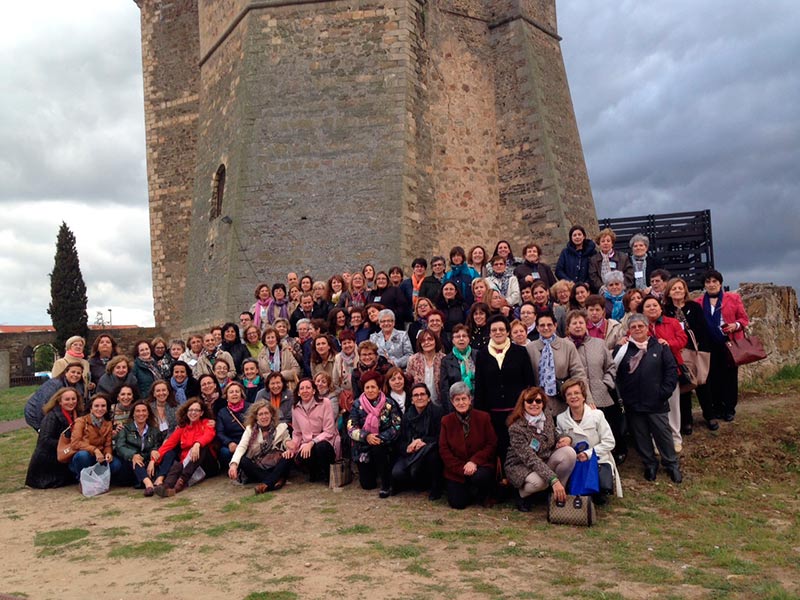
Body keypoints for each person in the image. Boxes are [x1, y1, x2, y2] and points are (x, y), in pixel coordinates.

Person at [614, 314, 681, 483]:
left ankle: (671, 464)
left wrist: (663, 392)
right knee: (641, 435)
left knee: (663, 434)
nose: (637, 329)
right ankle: (650, 464)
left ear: (647, 328)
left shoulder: (660, 347)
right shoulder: (622, 349)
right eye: (633, 327)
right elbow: (616, 373)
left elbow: (671, 370)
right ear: (629, 330)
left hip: (656, 402)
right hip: (633, 403)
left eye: (640, 326)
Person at [474, 315, 535, 466]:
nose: (498, 332)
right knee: (498, 448)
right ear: (489, 333)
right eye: (494, 330)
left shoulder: (520, 352)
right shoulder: (482, 355)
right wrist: (480, 413)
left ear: (508, 332)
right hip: (493, 413)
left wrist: (528, 408)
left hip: (517, 412)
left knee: (519, 447)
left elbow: (529, 383)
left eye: (501, 329)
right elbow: (480, 385)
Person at [565, 309, 625, 462]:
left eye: (581, 323)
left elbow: (610, 366)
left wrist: (606, 383)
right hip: (576, 396)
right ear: (568, 327)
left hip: (601, 392)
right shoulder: (564, 345)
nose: (578, 326)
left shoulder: (599, 343)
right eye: (574, 323)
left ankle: (615, 452)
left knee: (609, 424)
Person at [504, 387, 576, 512]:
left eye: (538, 401)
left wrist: (566, 438)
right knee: (540, 482)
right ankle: (521, 494)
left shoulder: (546, 415)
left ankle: (557, 493)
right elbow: (530, 459)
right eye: (529, 401)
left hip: (544, 459)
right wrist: (553, 479)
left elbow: (553, 433)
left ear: (543, 403)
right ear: (523, 404)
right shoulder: (516, 428)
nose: (534, 404)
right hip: (521, 465)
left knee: (569, 453)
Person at [696, 269, 749, 426]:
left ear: (720, 283)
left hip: (728, 342)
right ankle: (717, 407)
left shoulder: (733, 298)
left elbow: (744, 319)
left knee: (730, 377)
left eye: (714, 281)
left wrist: (735, 325)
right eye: (708, 282)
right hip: (708, 344)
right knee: (712, 377)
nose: (711, 284)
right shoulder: (698, 302)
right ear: (704, 285)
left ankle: (729, 409)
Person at [556, 379, 622, 502]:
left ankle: (599, 491)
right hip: (574, 461)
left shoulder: (597, 415)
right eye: (569, 394)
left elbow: (609, 442)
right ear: (565, 399)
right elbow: (559, 443)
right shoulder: (561, 419)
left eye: (577, 393)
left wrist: (588, 454)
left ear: (583, 396)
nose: (573, 397)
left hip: (597, 459)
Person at [663, 276, 711, 435]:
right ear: (668, 292)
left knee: (702, 384)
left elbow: (702, 328)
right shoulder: (666, 310)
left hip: (694, 350)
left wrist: (702, 348)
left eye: (680, 288)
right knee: (684, 386)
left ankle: (709, 416)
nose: (677, 291)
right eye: (674, 288)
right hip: (677, 353)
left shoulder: (694, 307)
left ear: (685, 291)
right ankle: (687, 421)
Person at [439, 382, 497, 509]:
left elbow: (491, 444)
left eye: (464, 398)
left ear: (470, 399)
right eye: (457, 399)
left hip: (480, 466)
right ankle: (469, 491)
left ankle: (483, 493)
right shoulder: (446, 421)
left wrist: (474, 462)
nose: (461, 403)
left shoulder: (483, 417)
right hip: (456, 469)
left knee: (480, 477)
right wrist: (462, 468)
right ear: (452, 402)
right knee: (457, 504)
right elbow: (444, 449)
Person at [641, 295, 687, 451]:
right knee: (654, 409)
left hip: (670, 371)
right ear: (643, 311)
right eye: (648, 306)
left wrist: (669, 343)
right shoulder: (640, 325)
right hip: (649, 374)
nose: (652, 308)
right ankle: (657, 442)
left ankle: (675, 438)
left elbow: (683, 339)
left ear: (660, 308)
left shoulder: (672, 322)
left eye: (655, 305)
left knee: (673, 406)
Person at [347, 370, 402, 497]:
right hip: (363, 446)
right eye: (367, 387)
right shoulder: (357, 404)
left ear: (379, 388)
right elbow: (351, 427)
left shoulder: (389, 403)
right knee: (367, 485)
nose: (370, 390)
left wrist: (379, 437)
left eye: (373, 387)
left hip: (383, 445)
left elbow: (396, 426)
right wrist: (366, 436)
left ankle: (386, 484)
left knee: (378, 447)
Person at [151, 398, 219, 497]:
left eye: (196, 410)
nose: (193, 413)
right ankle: (166, 487)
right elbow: (168, 445)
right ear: (186, 412)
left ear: (201, 413)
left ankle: (182, 481)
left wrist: (197, 444)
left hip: (207, 464)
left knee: (201, 448)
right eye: (190, 410)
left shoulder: (206, 423)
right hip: (187, 463)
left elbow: (209, 435)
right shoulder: (182, 428)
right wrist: (153, 460)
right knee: (177, 466)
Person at [526, 312, 589, 415]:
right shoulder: (530, 348)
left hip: (563, 401)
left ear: (555, 326)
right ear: (537, 328)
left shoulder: (568, 345)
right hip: (539, 404)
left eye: (549, 325)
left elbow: (578, 373)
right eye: (542, 325)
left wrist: (587, 399)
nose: (546, 328)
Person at [391, 383, 444, 500]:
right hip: (411, 453)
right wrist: (408, 447)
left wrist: (423, 441)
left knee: (433, 455)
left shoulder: (437, 413)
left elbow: (441, 437)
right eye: (416, 395)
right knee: (397, 473)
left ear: (428, 398)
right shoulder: (407, 417)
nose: (419, 397)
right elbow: (400, 441)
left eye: (422, 394)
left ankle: (436, 487)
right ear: (412, 400)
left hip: (430, 451)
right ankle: (416, 482)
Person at [229, 400, 292, 494]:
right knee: (242, 460)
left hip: (275, 464)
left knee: (288, 457)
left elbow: (287, 442)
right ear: (256, 417)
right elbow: (241, 447)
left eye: (266, 413)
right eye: (261, 414)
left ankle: (266, 484)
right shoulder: (250, 430)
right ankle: (276, 480)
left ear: (271, 414)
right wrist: (233, 465)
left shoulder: (281, 427)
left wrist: (289, 449)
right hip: (257, 466)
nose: (264, 417)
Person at [25, 387, 83, 489]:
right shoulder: (51, 416)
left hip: (66, 455)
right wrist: (67, 445)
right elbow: (44, 440)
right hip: (48, 461)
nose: (71, 402)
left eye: (73, 399)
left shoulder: (78, 415)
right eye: (67, 399)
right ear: (59, 401)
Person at [285, 378, 340, 483]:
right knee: (302, 455)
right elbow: (297, 433)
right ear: (298, 393)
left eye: (308, 388)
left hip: (325, 442)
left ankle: (328, 475)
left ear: (314, 391)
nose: (305, 391)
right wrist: (292, 447)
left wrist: (312, 443)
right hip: (306, 445)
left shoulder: (325, 403)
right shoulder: (295, 408)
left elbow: (329, 431)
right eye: (302, 388)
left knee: (321, 447)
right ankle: (315, 472)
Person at [114, 401, 170, 496]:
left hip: (146, 464)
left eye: (144, 411)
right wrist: (132, 455)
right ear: (133, 414)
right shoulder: (125, 429)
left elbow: (157, 444)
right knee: (136, 459)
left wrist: (154, 451)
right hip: (128, 467)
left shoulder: (153, 430)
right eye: (138, 411)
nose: (141, 413)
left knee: (167, 455)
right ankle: (149, 485)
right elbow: (120, 447)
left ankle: (155, 481)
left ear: (148, 414)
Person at [68, 394, 122, 480]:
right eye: (96, 406)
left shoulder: (108, 424)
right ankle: (82, 479)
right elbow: (75, 443)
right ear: (91, 408)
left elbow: (107, 445)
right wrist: (95, 450)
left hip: (99, 458)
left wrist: (108, 453)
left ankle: (95, 479)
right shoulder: (81, 421)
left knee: (116, 464)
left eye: (103, 406)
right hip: (84, 456)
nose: (100, 409)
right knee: (83, 456)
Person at [25, 363, 86, 432]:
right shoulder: (54, 384)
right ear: (66, 373)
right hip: (35, 413)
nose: (75, 375)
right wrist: (42, 427)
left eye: (78, 373)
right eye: (73, 372)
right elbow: (42, 404)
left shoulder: (78, 386)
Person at [216, 381, 252, 469]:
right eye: (231, 392)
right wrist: (229, 443)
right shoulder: (222, 412)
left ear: (241, 394)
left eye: (237, 391)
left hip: (249, 441)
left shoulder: (251, 407)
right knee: (224, 452)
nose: (234, 394)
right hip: (233, 442)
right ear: (226, 396)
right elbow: (220, 432)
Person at [405, 329, 445, 407]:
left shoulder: (444, 359)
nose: (427, 342)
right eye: (423, 341)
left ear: (436, 341)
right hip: (419, 403)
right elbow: (408, 380)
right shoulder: (413, 359)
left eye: (430, 339)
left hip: (440, 404)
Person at [588, 228, 634, 292]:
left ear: (612, 243)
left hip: (621, 291)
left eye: (608, 241)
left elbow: (629, 274)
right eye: (603, 241)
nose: (605, 243)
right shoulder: (593, 260)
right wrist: (602, 288)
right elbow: (593, 277)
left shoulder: (623, 257)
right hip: (602, 292)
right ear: (599, 244)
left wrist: (619, 286)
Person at [439, 324, 474, 409]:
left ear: (469, 339)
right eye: (458, 336)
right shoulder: (446, 361)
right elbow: (444, 388)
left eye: (464, 336)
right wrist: (450, 407)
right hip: (456, 404)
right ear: (453, 340)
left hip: (477, 402)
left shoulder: (478, 355)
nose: (461, 339)